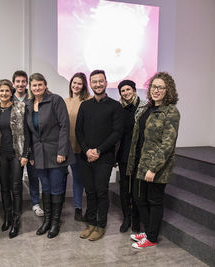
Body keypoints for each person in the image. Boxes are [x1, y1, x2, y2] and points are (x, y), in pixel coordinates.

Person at [127, 72, 180, 249]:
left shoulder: (171, 112)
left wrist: (154, 168)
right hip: (141, 164)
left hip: (156, 167)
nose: (156, 90)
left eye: (161, 87)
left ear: (168, 90)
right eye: (154, 87)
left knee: (154, 201)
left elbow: (168, 144)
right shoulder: (147, 108)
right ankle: (149, 230)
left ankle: (152, 237)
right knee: (139, 197)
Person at [25, 73, 75, 239]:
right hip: (39, 154)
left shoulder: (55, 100)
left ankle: (55, 222)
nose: (37, 88)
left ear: (45, 85)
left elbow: (64, 126)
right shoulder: (29, 104)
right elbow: (29, 133)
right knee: (45, 188)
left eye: (40, 84)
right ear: (30, 88)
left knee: (56, 188)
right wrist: (30, 153)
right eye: (34, 85)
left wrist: (62, 151)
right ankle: (46, 221)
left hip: (56, 153)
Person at [76, 70, 123, 241]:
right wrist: (87, 149)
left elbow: (117, 132)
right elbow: (78, 131)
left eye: (100, 81)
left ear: (106, 82)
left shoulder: (115, 106)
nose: (97, 84)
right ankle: (91, 223)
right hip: (86, 156)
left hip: (105, 156)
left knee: (101, 191)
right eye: (94, 81)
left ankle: (100, 225)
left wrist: (99, 150)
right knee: (89, 191)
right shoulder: (85, 105)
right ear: (90, 83)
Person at [0, 79, 29, 238]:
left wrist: (25, 155)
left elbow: (27, 133)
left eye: (7, 90)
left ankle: (16, 221)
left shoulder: (21, 108)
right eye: (1, 91)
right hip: (1, 155)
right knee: (4, 188)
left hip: (16, 155)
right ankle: (7, 217)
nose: (4, 93)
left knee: (16, 188)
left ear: (11, 92)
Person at [116, 80, 147, 233]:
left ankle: (136, 219)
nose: (126, 92)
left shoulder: (144, 107)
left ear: (134, 90)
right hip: (123, 154)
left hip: (138, 155)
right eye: (122, 90)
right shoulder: (118, 108)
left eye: (128, 89)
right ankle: (126, 218)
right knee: (124, 188)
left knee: (136, 189)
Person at [12, 70, 43, 217]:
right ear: (13, 83)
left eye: (23, 81)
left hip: (32, 144)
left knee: (33, 175)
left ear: (27, 84)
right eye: (17, 81)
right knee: (16, 178)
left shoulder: (32, 100)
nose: (20, 84)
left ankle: (36, 203)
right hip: (14, 145)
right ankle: (16, 205)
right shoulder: (8, 99)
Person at [64, 72, 92, 222]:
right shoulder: (64, 101)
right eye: (74, 83)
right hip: (67, 147)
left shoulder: (89, 101)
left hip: (83, 147)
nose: (76, 86)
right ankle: (78, 207)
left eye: (79, 83)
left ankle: (90, 208)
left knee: (84, 179)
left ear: (84, 86)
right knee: (76, 178)